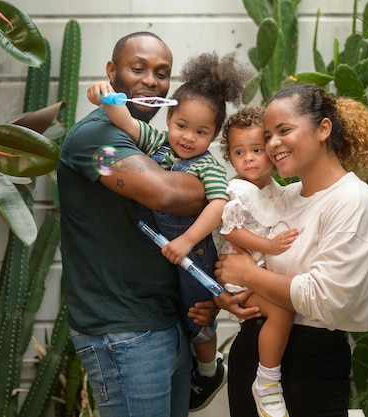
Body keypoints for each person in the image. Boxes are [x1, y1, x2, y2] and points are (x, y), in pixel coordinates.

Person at [58, 32, 218, 417]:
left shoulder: (158, 142)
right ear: (112, 72)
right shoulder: (94, 141)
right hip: (124, 335)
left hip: (169, 323)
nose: (151, 80)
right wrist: (219, 190)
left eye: (162, 74)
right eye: (138, 68)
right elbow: (166, 195)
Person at [214, 83, 368, 417]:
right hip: (250, 350)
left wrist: (249, 275)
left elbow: (327, 299)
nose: (272, 144)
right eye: (267, 135)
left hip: (309, 364)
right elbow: (234, 253)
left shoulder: (352, 201)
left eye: (284, 130)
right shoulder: (282, 197)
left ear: (324, 128)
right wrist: (225, 298)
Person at [89, 51, 250, 412]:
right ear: (169, 117)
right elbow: (127, 124)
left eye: (201, 132)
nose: (188, 138)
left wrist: (188, 240)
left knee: (197, 313)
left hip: (195, 251)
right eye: (181, 126)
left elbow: (219, 204)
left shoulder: (207, 166)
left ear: (214, 135)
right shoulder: (158, 142)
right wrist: (107, 97)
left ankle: (207, 371)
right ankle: (196, 361)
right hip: (168, 247)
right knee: (179, 309)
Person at [217, 106, 299, 417]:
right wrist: (268, 245)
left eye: (256, 150)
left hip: (259, 271)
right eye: (239, 152)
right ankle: (267, 381)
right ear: (230, 157)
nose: (248, 158)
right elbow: (232, 230)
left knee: (282, 308)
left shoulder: (277, 192)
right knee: (281, 311)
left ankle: (268, 377)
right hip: (242, 271)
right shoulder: (238, 190)